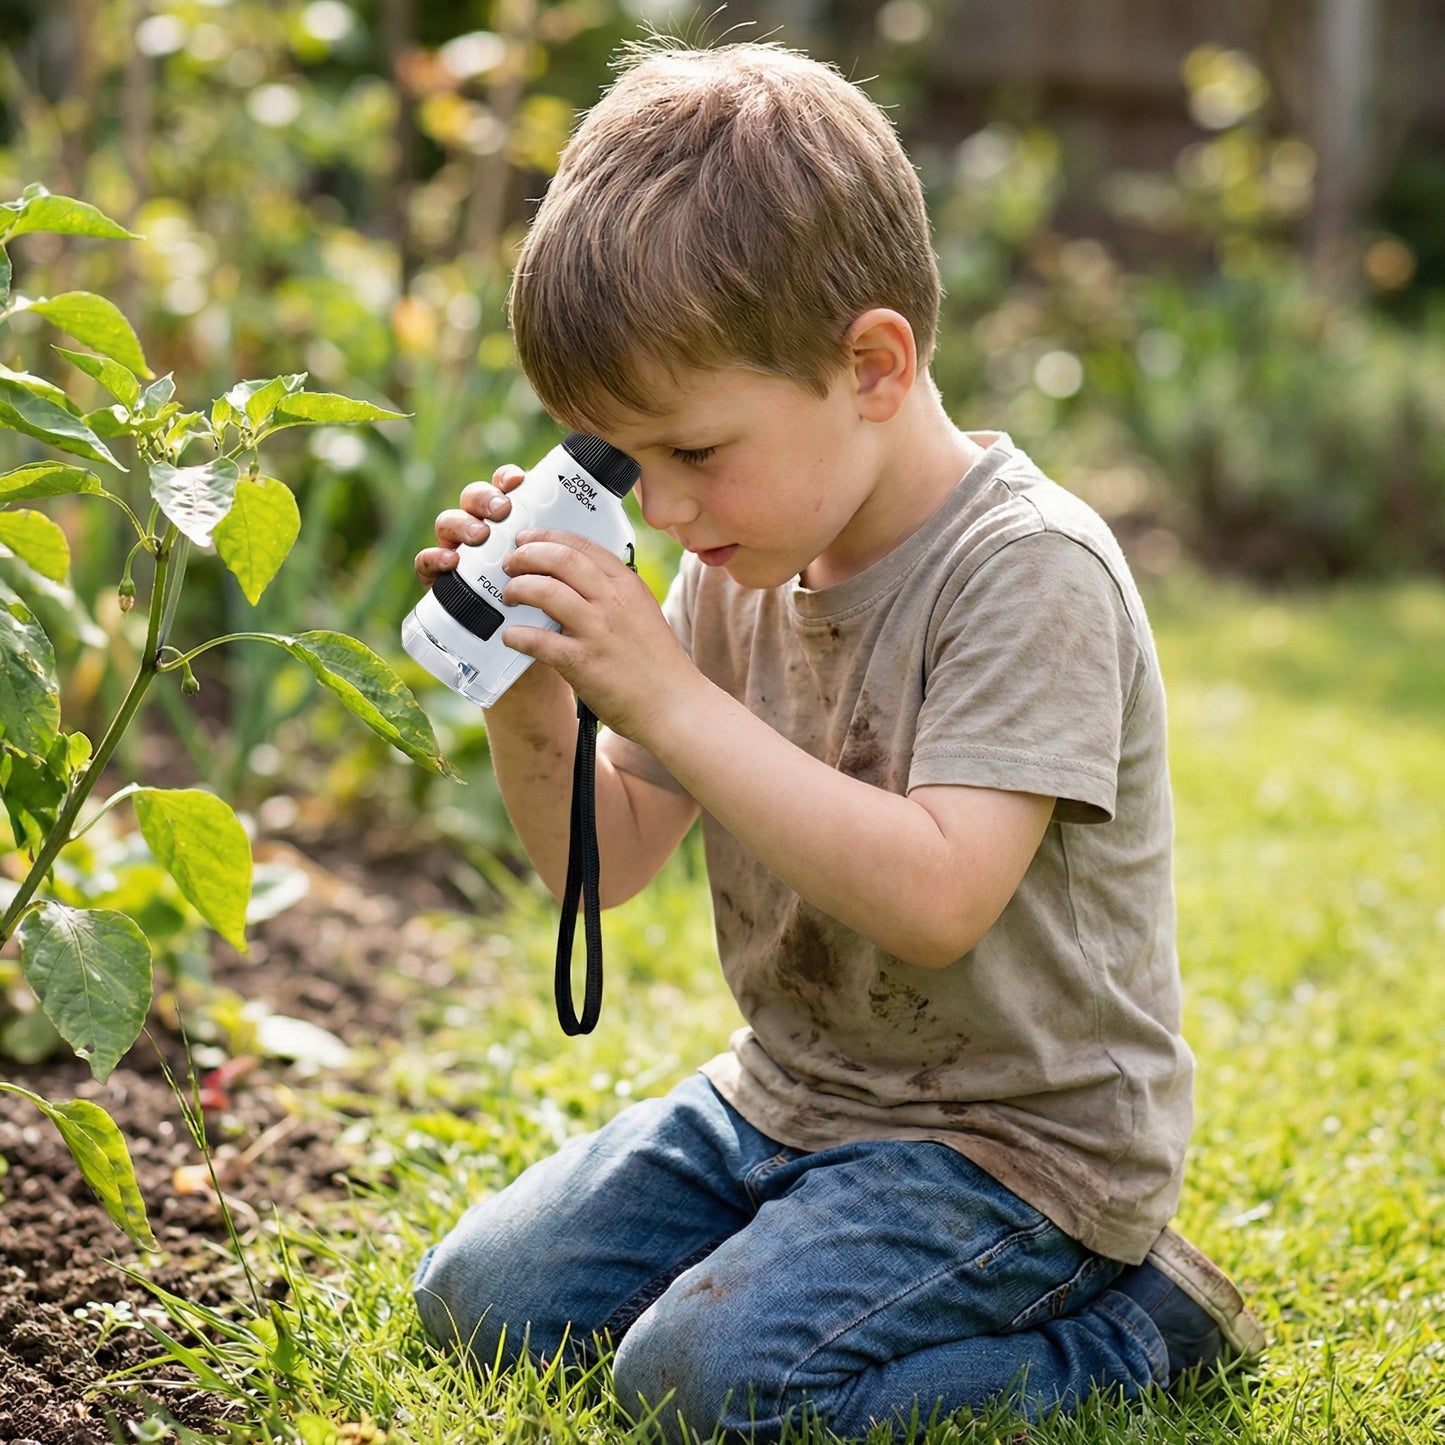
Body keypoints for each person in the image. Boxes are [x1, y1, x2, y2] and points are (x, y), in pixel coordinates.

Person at [410, 38, 1264, 1441]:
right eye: (630, 461)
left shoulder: (1026, 571)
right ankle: (808, 1246)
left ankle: (1139, 1331)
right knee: (479, 1302)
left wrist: (668, 695)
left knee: (701, 1389)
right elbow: (603, 863)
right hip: (789, 1098)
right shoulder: (736, 562)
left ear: (871, 365)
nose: (662, 509)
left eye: (693, 451)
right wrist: (527, 689)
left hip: (1014, 1147)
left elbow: (938, 898)